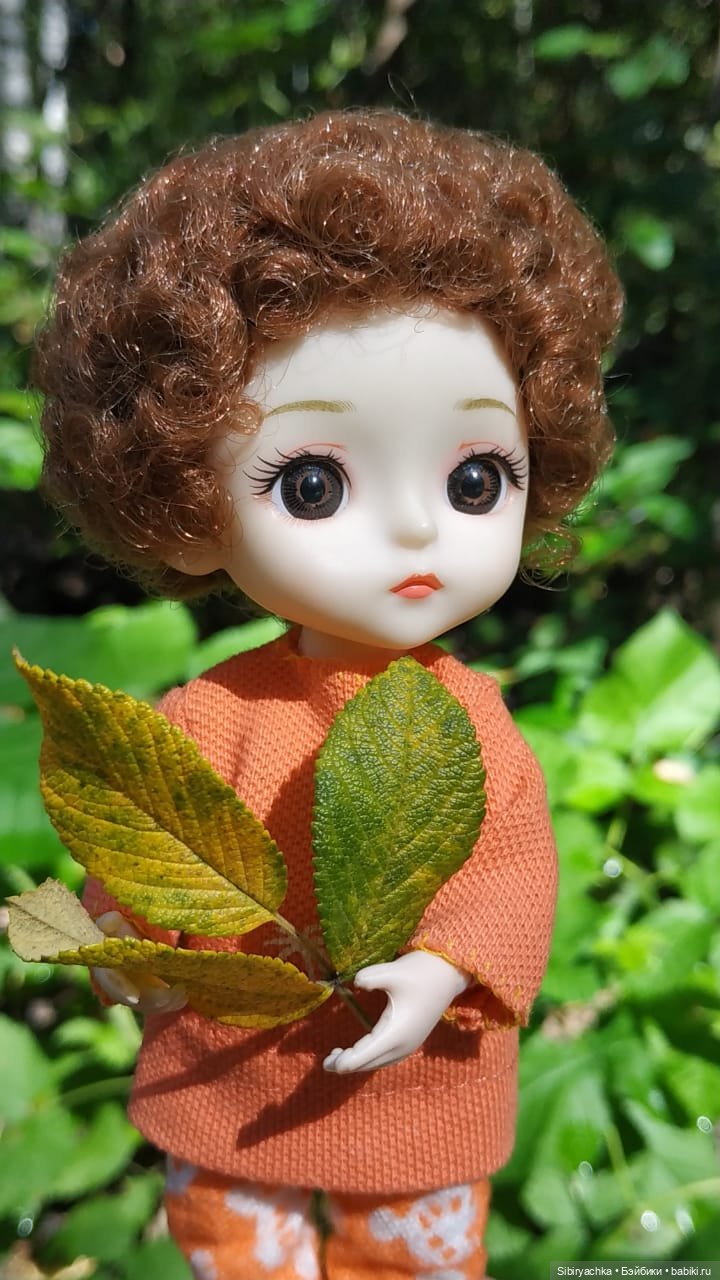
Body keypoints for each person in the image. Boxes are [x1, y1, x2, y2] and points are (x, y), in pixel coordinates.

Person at [33, 110, 622, 1280]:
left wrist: (445, 966)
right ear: (185, 508)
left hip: (417, 1092)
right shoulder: (209, 715)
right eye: (313, 483)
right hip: (231, 1081)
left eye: (473, 477)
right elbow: (151, 842)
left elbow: (511, 873)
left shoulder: (474, 725)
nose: (414, 527)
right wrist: (121, 939)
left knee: (415, 1261)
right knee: (231, 1248)